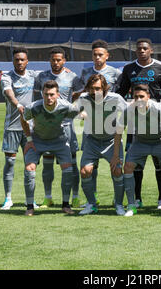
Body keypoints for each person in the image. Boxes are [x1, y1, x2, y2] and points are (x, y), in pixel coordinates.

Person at [116, 38, 161, 211]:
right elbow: (120, 93)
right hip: (135, 122)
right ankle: (137, 199)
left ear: (151, 50)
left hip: (157, 121)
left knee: (160, 162)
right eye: (139, 49)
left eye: (145, 48)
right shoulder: (128, 69)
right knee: (135, 163)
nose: (141, 51)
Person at [20, 80, 84, 216]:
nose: (49, 98)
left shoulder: (65, 106)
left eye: (52, 94)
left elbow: (78, 113)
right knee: (29, 170)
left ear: (58, 95)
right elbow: (23, 119)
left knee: (68, 169)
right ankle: (30, 206)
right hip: (37, 140)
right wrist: (29, 140)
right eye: (46, 94)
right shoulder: (33, 107)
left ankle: (65, 205)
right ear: (42, 94)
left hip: (59, 140)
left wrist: (83, 114)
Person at [33, 47, 84, 209]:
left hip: (67, 126)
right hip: (47, 126)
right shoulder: (42, 77)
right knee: (47, 163)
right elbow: (36, 98)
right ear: (50, 60)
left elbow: (77, 95)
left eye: (59, 60)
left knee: (72, 163)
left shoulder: (72, 77)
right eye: (53, 60)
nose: (56, 62)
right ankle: (48, 197)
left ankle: (75, 197)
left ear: (64, 60)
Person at [78, 39, 122, 207]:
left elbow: (122, 92)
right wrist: (81, 110)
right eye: (95, 55)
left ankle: (118, 202)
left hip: (109, 123)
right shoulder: (85, 72)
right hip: (92, 130)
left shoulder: (116, 73)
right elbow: (81, 93)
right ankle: (92, 199)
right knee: (89, 168)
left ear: (107, 56)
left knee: (117, 169)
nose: (97, 57)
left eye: (100, 54)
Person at [75, 74, 127, 216]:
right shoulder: (84, 98)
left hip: (111, 141)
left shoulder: (115, 98)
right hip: (92, 141)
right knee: (85, 171)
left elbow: (129, 112)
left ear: (104, 88)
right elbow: (74, 111)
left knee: (117, 170)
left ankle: (118, 204)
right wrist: (80, 114)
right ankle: (91, 204)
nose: (94, 92)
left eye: (98, 88)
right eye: (91, 88)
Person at [120, 84, 161, 217]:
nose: (139, 100)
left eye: (142, 96)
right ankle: (132, 206)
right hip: (141, 141)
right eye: (136, 97)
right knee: (127, 167)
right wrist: (116, 155)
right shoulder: (129, 109)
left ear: (148, 97)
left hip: (160, 140)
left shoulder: (158, 108)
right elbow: (118, 132)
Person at [0, 47, 39, 210]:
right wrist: (18, 104)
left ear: (27, 61)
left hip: (31, 128)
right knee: (9, 161)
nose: (20, 62)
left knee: (30, 164)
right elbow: (9, 93)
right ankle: (8, 198)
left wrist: (64, 69)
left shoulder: (34, 76)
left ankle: (30, 199)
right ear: (13, 61)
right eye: (17, 59)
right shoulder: (7, 77)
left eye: (22, 59)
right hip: (12, 127)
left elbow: (51, 78)